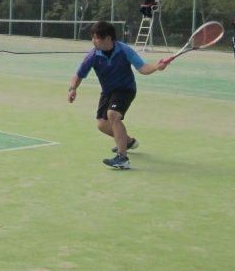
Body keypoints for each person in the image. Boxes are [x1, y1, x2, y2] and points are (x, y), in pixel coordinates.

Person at [67, 20, 169, 170]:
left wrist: (156, 66)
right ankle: (128, 142)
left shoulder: (124, 50)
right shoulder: (93, 55)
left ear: (108, 38)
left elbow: (143, 68)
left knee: (113, 115)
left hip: (125, 89)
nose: (93, 41)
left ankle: (122, 158)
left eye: (97, 38)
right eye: (93, 38)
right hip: (108, 91)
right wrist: (72, 89)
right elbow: (78, 75)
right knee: (102, 125)